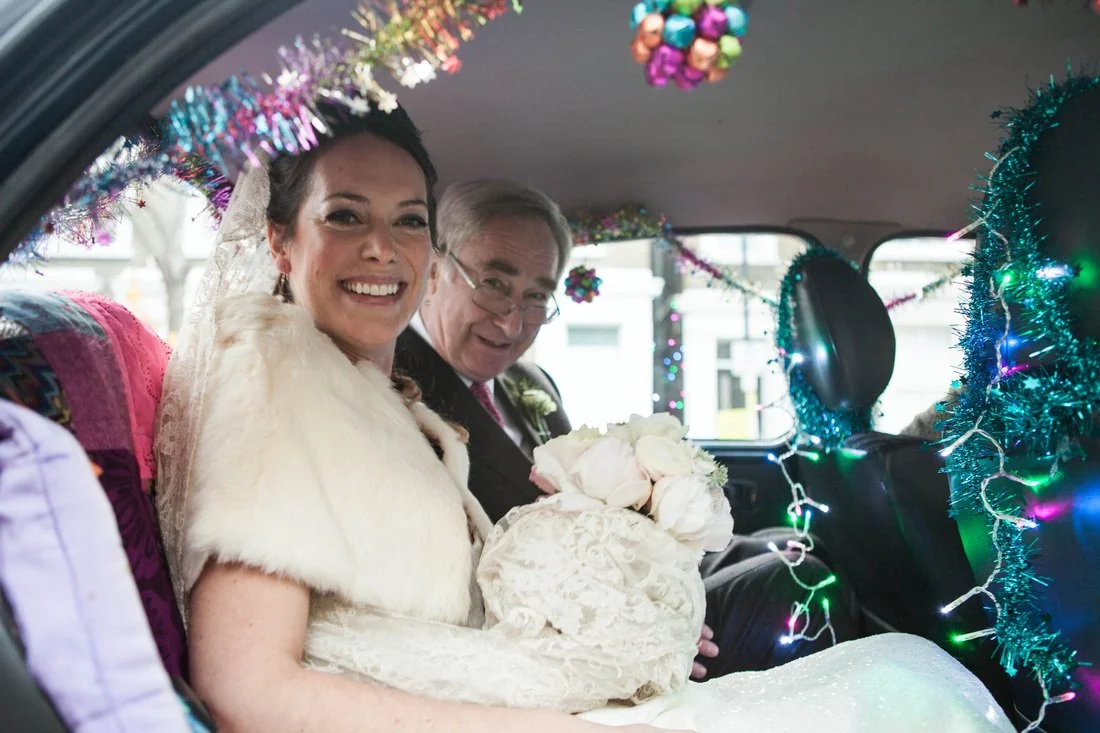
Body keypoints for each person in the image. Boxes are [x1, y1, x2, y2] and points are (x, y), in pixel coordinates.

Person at [155, 95, 1014, 733]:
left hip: (517, 684)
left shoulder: (385, 400)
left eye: (406, 220)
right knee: (905, 695)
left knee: (904, 680)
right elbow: (247, 689)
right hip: (493, 714)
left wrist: (627, 628)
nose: (383, 247)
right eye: (346, 215)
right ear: (279, 238)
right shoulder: (271, 382)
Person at [394, 179, 857, 679]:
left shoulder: (529, 380)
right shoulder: (399, 388)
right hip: (560, 631)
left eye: (536, 297)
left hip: (613, 576)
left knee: (791, 543)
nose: (511, 323)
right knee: (799, 584)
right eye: (494, 285)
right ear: (435, 269)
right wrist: (635, 621)